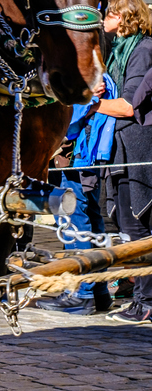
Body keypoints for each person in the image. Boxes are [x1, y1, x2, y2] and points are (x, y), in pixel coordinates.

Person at [34, 73, 118, 315]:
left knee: (75, 221)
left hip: (77, 157)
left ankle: (81, 292)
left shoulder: (87, 78)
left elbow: (71, 120)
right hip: (80, 158)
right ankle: (97, 290)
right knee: (89, 220)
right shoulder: (91, 76)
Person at [94, 0, 152, 323]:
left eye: (109, 13)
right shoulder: (119, 51)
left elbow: (129, 106)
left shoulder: (143, 51)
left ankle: (147, 302)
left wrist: (90, 104)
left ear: (123, 16)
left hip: (138, 148)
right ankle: (137, 291)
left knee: (138, 224)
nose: (104, 20)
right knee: (124, 221)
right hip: (120, 148)